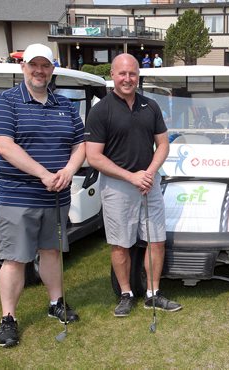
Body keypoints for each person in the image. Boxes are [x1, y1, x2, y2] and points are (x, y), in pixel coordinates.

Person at [0, 43, 85, 348]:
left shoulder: (65, 105)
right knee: (15, 258)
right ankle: (8, 318)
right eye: (34, 65)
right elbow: (4, 145)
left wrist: (69, 169)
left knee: (52, 252)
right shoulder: (5, 101)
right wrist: (43, 173)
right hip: (18, 196)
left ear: (52, 69)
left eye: (45, 66)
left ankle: (56, 302)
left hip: (56, 197)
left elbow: (80, 144)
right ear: (23, 67)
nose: (39, 71)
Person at [85, 53, 181, 317]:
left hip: (149, 183)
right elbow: (93, 156)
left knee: (156, 240)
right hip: (118, 187)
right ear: (112, 75)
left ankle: (153, 293)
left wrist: (149, 172)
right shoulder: (100, 110)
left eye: (132, 74)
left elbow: (163, 144)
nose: (127, 79)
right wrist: (131, 177)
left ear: (138, 76)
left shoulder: (150, 106)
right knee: (120, 243)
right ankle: (126, 294)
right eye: (122, 74)